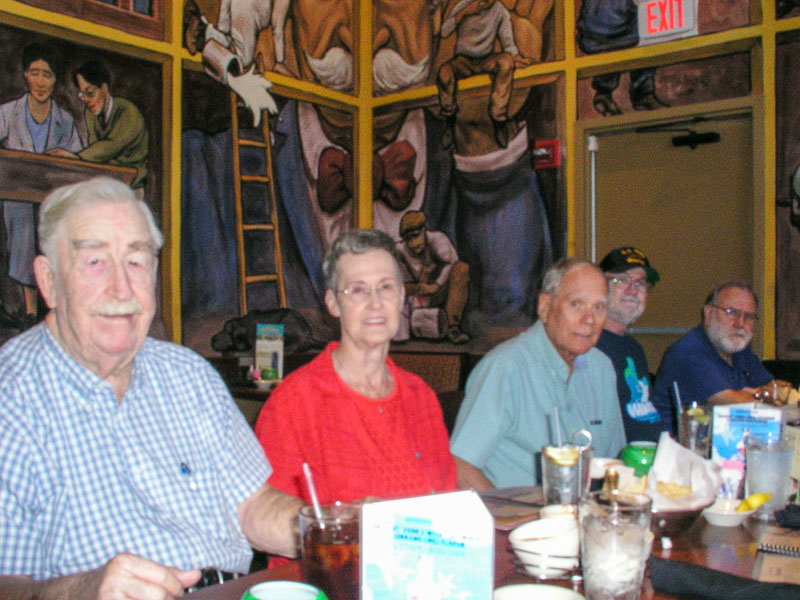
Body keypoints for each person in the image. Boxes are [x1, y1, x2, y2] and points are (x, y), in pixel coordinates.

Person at [0, 177, 303, 599]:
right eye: (95, 262)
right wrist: (82, 590)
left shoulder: (188, 375)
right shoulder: (10, 400)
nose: (122, 289)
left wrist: (329, 529)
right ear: (48, 281)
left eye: (137, 262)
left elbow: (252, 506)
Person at [254, 228, 457, 507]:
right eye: (357, 290)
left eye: (385, 287)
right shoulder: (293, 403)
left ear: (400, 297)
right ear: (333, 304)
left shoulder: (421, 397)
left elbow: (445, 506)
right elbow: (274, 525)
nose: (375, 303)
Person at [450, 257, 626, 490]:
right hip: (520, 518)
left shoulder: (602, 368)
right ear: (544, 307)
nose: (589, 320)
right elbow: (459, 466)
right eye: (576, 304)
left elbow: (613, 461)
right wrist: (508, 518)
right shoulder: (505, 369)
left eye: (599, 307)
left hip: (584, 516)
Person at [0, 42, 82, 329]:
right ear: (25, 75)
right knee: (23, 244)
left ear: (55, 80)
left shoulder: (65, 120)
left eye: (47, 74)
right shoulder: (8, 113)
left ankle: (55, 312)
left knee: (55, 246)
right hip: (18, 195)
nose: (40, 81)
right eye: (34, 72)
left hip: (53, 198)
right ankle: (30, 314)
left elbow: (78, 158)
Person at [652, 282, 779, 433]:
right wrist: (762, 394)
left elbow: (778, 389)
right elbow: (736, 405)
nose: (740, 324)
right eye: (731, 312)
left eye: (749, 317)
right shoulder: (687, 352)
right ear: (708, 313)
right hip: (680, 449)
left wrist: (759, 394)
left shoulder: (738, 349)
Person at [437, 0, 531, 148]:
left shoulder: (500, 10)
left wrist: (515, 57)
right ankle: (449, 118)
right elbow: (444, 31)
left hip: (486, 59)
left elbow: (508, 42)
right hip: (463, 60)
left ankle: (498, 118)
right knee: (444, 73)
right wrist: (464, 12)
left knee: (506, 62)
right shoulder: (463, 5)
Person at [596, 247, 666, 442]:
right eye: (622, 281)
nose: (633, 290)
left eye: (640, 283)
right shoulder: (587, 346)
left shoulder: (634, 349)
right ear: (600, 286)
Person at [48, 61, 149, 195]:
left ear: (105, 88)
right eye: (82, 95)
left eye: (89, 93)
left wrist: (77, 157)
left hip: (131, 187)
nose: (86, 100)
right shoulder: (89, 113)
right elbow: (95, 148)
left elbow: (111, 146)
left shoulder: (128, 112)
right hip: (104, 183)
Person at [395, 210, 470, 344]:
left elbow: (452, 263)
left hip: (440, 292)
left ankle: (453, 327)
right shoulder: (400, 251)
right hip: (417, 295)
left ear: (424, 230)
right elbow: (400, 282)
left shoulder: (437, 239)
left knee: (461, 269)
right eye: (408, 240)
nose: (413, 244)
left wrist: (435, 286)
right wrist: (418, 288)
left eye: (416, 236)